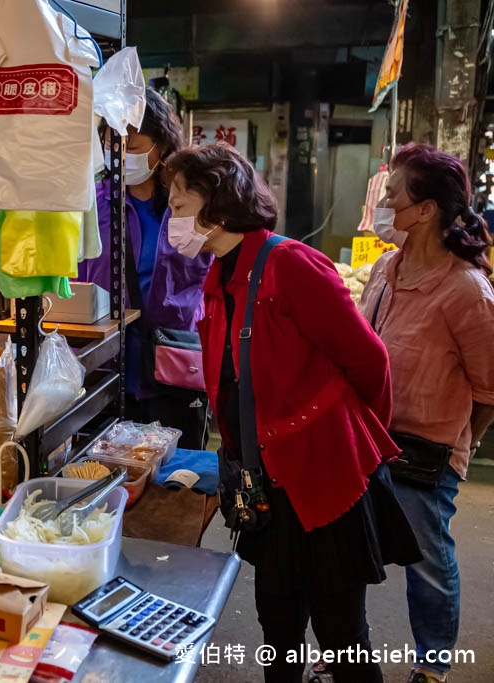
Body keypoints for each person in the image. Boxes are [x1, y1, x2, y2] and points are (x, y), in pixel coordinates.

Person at [167, 144, 419, 683]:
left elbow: (369, 360)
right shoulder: (217, 276)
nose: (173, 217)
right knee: (277, 623)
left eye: (179, 202)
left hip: (324, 479)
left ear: (215, 206)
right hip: (265, 480)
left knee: (341, 632)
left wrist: (351, 441)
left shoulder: (288, 264)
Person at [359, 144, 494, 683]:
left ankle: (433, 664)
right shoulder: (384, 270)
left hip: (424, 452)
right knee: (351, 556)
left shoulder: (467, 291)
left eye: (393, 195)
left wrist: (463, 445)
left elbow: (489, 388)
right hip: (366, 440)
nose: (384, 203)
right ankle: (347, 652)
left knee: (427, 564)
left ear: (425, 210)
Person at [77, 88, 211, 448]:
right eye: (111, 143)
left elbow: (205, 284)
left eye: (133, 147)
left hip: (172, 366)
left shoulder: (185, 208)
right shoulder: (93, 203)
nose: (120, 155)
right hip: (104, 371)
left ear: (162, 147)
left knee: (173, 476)